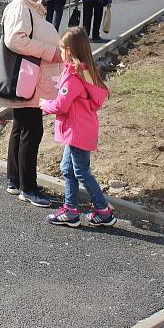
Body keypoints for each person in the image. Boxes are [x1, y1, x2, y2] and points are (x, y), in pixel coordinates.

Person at [39, 27, 116, 227]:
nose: (61, 52)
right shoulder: (83, 71)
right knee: (67, 169)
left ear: (70, 52)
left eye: (62, 49)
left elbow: (61, 105)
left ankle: (103, 210)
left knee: (81, 172)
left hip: (76, 132)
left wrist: (44, 104)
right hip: (81, 130)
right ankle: (71, 210)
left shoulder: (73, 77)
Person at [0, 0, 62, 208]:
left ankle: (16, 180)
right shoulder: (20, 8)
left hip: (29, 79)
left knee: (21, 128)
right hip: (28, 80)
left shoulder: (29, 7)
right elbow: (15, 39)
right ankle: (29, 187)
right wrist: (50, 52)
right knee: (31, 132)